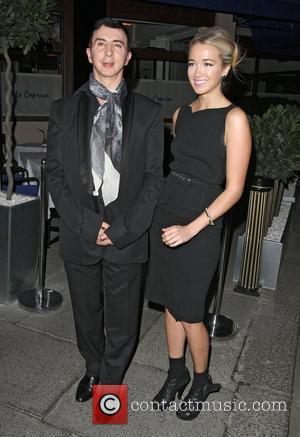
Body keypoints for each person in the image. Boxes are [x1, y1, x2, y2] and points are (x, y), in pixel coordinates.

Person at [46, 18, 163, 402]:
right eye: (101, 43)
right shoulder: (63, 110)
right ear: (88, 53)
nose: (108, 51)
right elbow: (55, 174)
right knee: (86, 313)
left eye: (117, 45)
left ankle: (110, 385)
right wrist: (87, 224)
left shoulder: (148, 113)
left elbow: (152, 181)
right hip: (81, 231)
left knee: (124, 318)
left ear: (128, 57)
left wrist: (120, 229)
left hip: (127, 234)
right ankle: (93, 368)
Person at [145, 26, 251, 420]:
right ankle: (176, 374)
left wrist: (194, 226)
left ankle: (202, 378)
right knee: (170, 306)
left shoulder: (235, 118)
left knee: (190, 310)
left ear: (225, 68)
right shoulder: (181, 113)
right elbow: (175, 170)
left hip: (203, 221)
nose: (197, 71)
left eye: (207, 63)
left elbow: (235, 188)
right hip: (168, 212)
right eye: (192, 63)